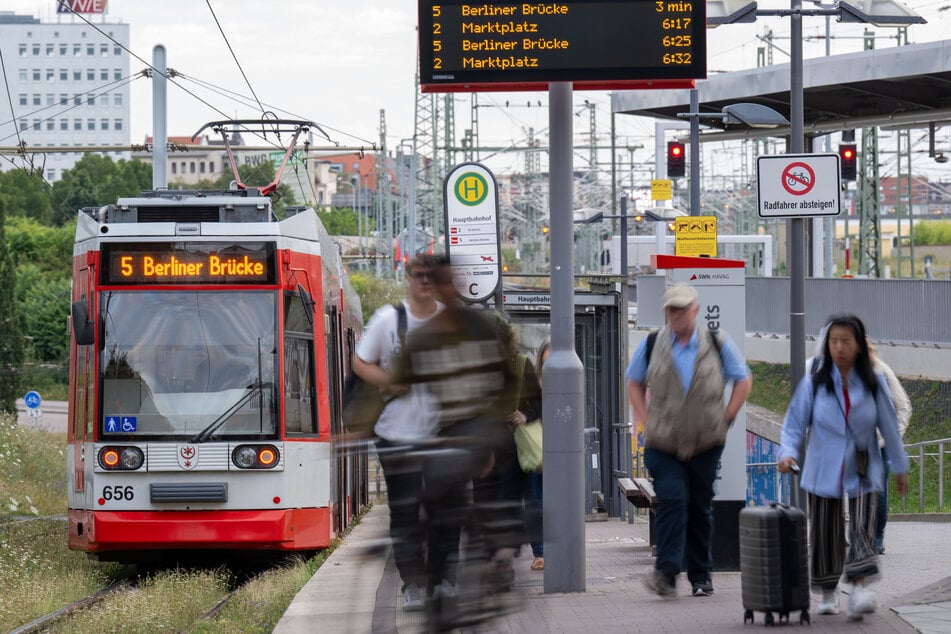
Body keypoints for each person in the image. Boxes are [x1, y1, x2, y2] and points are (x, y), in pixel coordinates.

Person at [392, 256, 515, 614]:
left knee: (469, 495)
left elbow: (507, 382)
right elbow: (397, 381)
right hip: (441, 432)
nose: (442, 290)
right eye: (436, 283)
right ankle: (437, 581)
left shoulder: (480, 326)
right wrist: (359, 428)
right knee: (434, 501)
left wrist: (491, 432)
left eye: (446, 283)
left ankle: (487, 558)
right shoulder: (424, 337)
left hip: (479, 427)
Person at [778, 313, 909, 621]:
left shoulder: (874, 380)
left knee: (863, 525)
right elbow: (795, 421)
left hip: (864, 463)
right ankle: (827, 590)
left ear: (859, 346)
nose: (839, 347)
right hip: (824, 463)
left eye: (846, 342)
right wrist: (788, 452)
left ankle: (860, 588)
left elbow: (889, 425)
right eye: (834, 341)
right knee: (825, 531)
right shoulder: (815, 377)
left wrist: (899, 465)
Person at [626, 284, 752, 598]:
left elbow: (743, 379)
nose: (677, 314)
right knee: (671, 499)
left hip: (706, 441)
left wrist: (727, 416)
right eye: (672, 309)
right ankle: (666, 573)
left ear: (695, 310)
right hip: (663, 443)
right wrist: (644, 418)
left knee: (699, 506)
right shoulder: (653, 343)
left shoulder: (717, 342)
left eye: (683, 308)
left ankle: (701, 575)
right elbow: (633, 381)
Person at [352, 254, 444, 612]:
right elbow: (360, 362)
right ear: (407, 277)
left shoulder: (450, 321)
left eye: (431, 276)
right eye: (418, 275)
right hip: (395, 435)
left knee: (442, 511)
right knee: (406, 513)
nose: (425, 281)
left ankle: (443, 580)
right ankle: (414, 584)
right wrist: (390, 381)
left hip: (442, 433)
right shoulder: (388, 319)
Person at [808, 324, 912, 556]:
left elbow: (903, 406)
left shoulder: (880, 371)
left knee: (877, 491)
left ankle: (876, 537)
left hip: (878, 444)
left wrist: (890, 437)